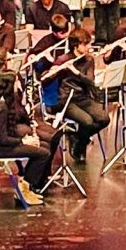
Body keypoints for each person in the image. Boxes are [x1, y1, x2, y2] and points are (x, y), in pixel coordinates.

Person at [0, 49, 50, 206]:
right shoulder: (1, 106)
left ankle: (26, 185)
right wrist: (24, 141)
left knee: (43, 145)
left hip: (0, 142)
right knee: (43, 153)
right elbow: (2, 139)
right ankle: (23, 189)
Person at [44, 28, 110, 163]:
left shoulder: (88, 60)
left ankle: (77, 138)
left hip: (83, 97)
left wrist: (75, 72)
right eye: (85, 44)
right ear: (76, 45)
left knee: (104, 119)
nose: (89, 47)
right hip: (67, 100)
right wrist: (54, 71)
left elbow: (90, 81)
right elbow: (45, 81)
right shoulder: (63, 59)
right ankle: (79, 146)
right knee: (87, 122)